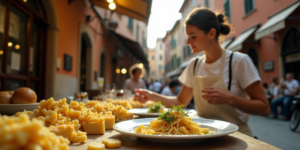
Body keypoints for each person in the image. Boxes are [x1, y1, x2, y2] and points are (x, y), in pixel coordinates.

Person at [134, 8, 270, 136]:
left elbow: (264, 108)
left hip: (237, 136)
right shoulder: (194, 65)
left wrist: (230, 99)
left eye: (193, 36)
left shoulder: (239, 61)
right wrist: (151, 96)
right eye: (187, 36)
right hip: (204, 136)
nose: (188, 42)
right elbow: (180, 102)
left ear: (211, 33)